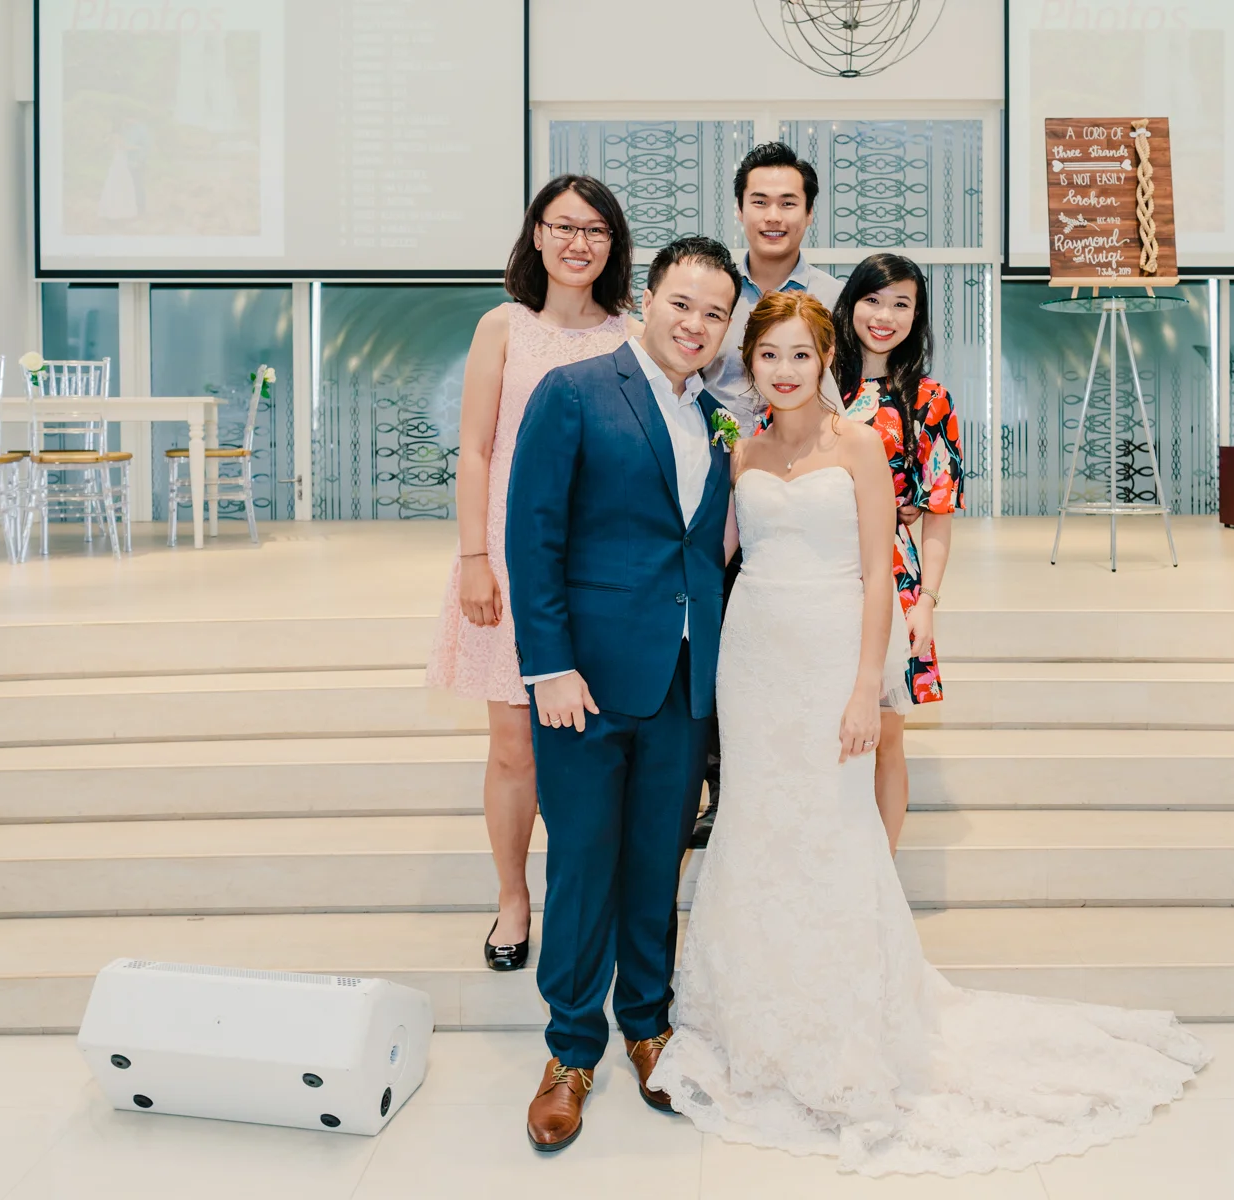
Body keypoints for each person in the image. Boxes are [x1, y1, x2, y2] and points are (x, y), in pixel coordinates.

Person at [650, 291, 1210, 1178]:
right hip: (753, 662)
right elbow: (711, 558)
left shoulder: (859, 446)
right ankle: (752, 1012)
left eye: (801, 355)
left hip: (833, 652)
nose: (785, 371)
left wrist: (865, 691)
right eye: (769, 356)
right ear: (748, 364)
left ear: (826, 363)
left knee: (834, 828)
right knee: (756, 824)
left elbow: (880, 575)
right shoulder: (743, 450)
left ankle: (843, 1020)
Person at [505, 235, 742, 1153]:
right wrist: (549, 665)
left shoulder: (718, 417)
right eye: (683, 304)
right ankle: (571, 1051)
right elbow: (534, 534)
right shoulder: (573, 392)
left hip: (683, 683)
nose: (696, 325)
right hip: (587, 682)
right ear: (648, 298)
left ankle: (648, 1027)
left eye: (715, 313)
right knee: (580, 866)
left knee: (654, 864)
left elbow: (703, 549)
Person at [424, 174, 634, 974]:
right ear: (537, 234)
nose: (579, 243)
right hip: (509, 562)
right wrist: (476, 560)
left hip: (600, 567)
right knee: (514, 748)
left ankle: (588, 901)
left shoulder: (631, 333)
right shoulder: (502, 326)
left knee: (590, 750)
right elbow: (477, 449)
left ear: (613, 244)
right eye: (564, 226)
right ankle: (513, 898)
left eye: (596, 230)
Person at [689, 140, 845, 848]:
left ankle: (808, 785)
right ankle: (722, 789)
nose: (773, 215)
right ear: (740, 210)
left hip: (808, 495)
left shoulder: (835, 297)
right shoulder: (714, 294)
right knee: (722, 647)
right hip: (722, 495)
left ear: (809, 213)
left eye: (788, 202)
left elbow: (863, 391)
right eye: (760, 201)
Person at [832, 253, 961, 852]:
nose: (884, 316)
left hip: (893, 573)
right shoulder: (814, 382)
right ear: (850, 304)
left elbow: (938, 512)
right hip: (819, 568)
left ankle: (879, 875)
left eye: (901, 304)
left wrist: (927, 601)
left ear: (917, 316)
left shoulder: (929, 400)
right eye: (873, 300)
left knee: (886, 734)